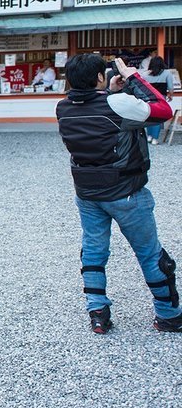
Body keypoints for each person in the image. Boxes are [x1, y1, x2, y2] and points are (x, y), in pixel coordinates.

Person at [56, 54, 181, 334]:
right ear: (99, 77)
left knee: (93, 251)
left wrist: (110, 91)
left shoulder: (62, 107)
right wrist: (134, 77)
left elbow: (96, 108)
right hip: (125, 192)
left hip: (87, 192)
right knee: (150, 254)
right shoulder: (118, 103)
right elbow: (163, 110)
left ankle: (97, 313)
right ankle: (168, 315)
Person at [140, 56, 174, 145]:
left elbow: (142, 87)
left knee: (149, 117)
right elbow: (170, 87)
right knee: (158, 118)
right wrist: (170, 95)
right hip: (161, 98)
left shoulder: (144, 74)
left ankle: (149, 136)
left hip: (148, 98)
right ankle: (155, 138)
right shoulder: (167, 73)